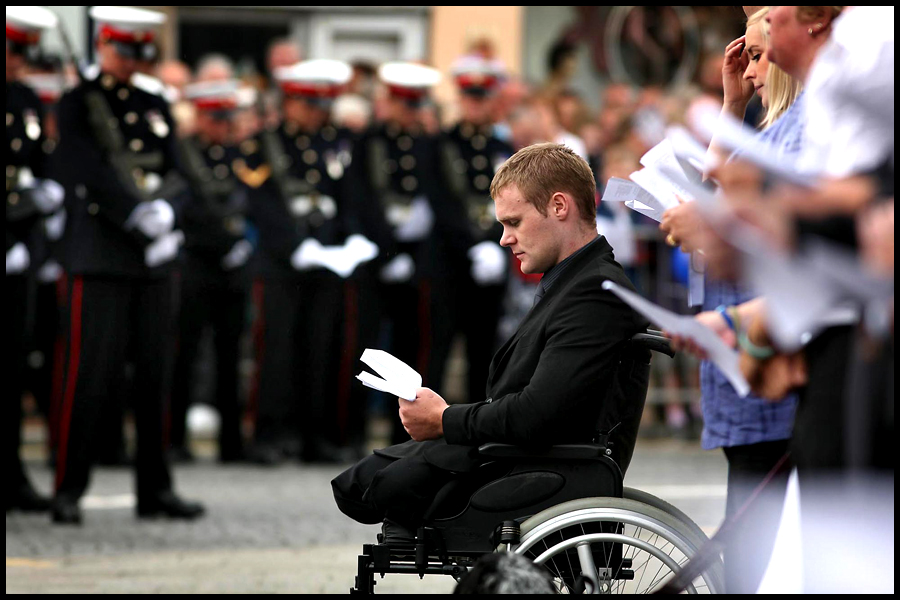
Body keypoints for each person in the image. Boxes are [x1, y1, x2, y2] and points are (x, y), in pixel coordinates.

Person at [332, 143, 649, 540]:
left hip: (544, 469)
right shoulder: (575, 282)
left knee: (380, 483)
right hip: (527, 461)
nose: (505, 239)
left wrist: (445, 419)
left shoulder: (593, 291)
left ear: (559, 206)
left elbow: (538, 414)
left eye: (513, 222)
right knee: (368, 480)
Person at [659, 8, 805, 593]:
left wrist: (710, 219)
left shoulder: (796, 125)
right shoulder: (767, 125)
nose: (748, 70)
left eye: (760, 55)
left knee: (755, 527)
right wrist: (728, 106)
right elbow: (717, 182)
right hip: (738, 333)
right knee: (748, 517)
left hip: (764, 336)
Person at [51, 6, 203, 525]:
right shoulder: (76, 103)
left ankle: (154, 489)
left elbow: (179, 170)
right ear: (104, 47)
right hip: (100, 256)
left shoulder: (154, 102)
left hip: (154, 262)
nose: (131, 62)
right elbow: (83, 170)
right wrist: (136, 215)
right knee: (87, 377)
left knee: (155, 378)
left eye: (140, 51)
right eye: (123, 50)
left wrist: (167, 210)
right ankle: (69, 488)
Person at [246, 59, 370, 464]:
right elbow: (260, 203)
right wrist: (292, 246)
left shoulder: (337, 142)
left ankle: (315, 436)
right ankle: (269, 435)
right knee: (276, 352)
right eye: (310, 105)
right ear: (290, 103)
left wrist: (350, 238)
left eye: (323, 106)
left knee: (323, 352)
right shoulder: (266, 143)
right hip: (283, 264)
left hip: (328, 262)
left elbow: (349, 195)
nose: (317, 114)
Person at [342, 61, 445, 446]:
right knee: (363, 347)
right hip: (374, 259)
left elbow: (433, 196)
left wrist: (413, 253)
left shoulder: (428, 144)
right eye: (405, 104)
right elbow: (360, 199)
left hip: (416, 262)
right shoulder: (368, 140)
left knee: (409, 349)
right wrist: (387, 253)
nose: (411, 112)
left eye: (416, 105)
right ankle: (352, 431)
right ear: (389, 102)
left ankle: (401, 428)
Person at [168, 78, 251, 463]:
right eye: (216, 118)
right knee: (184, 354)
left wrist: (240, 242)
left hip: (232, 268)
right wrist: (219, 239)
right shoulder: (183, 154)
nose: (223, 126)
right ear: (201, 116)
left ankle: (231, 443)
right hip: (195, 264)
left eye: (226, 118)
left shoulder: (238, 154)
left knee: (230, 355)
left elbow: (249, 199)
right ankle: (174, 439)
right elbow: (185, 208)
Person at [6, 5, 65, 513]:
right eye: (14, 50)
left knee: (16, 362)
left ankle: (12, 473)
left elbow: (38, 166)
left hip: (22, 251)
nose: (20, 60)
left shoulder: (24, 97)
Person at [428, 55, 514, 406]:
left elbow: (513, 199)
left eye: (481, 97)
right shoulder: (442, 144)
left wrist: (497, 243)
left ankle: (478, 427)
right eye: (469, 97)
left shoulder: (503, 148)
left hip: (491, 260)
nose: (475, 105)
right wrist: (471, 246)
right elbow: (441, 203)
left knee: (484, 351)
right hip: (450, 261)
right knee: (438, 349)